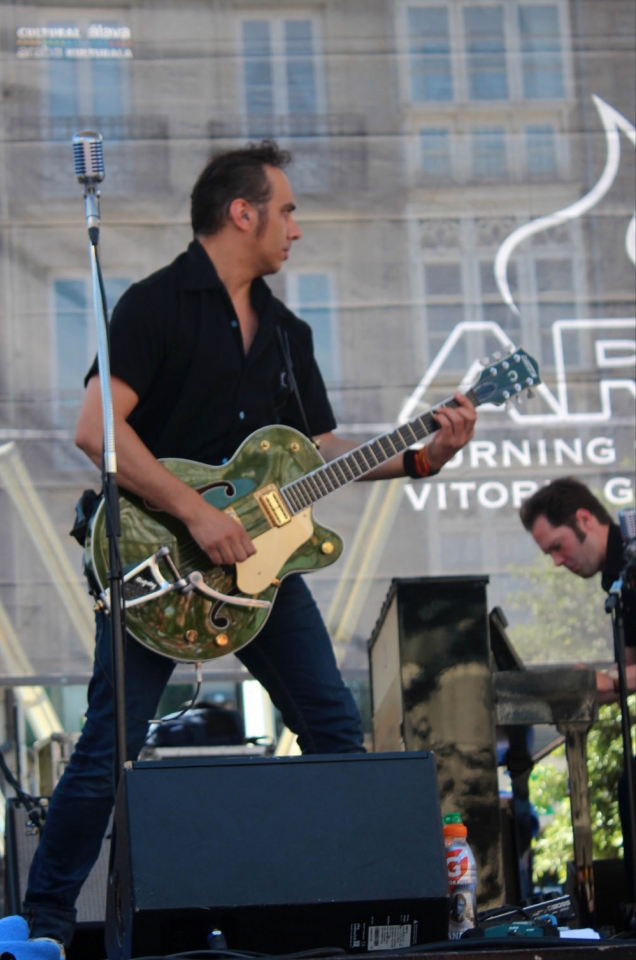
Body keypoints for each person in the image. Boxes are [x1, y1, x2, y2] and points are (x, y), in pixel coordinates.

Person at [23, 141, 477, 947]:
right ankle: (44, 923)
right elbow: (99, 431)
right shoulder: (155, 305)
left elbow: (324, 452)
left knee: (335, 734)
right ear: (243, 212)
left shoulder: (286, 333)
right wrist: (196, 514)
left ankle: (349, 909)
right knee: (106, 749)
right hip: (154, 560)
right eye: (288, 209)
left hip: (261, 571)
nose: (297, 229)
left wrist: (420, 456)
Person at [519, 476, 636, 899]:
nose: (555, 561)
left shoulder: (633, 561)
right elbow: (631, 671)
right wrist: (598, 681)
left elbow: (627, 677)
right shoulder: (617, 578)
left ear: (584, 519)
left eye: (556, 546)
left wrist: (610, 681)